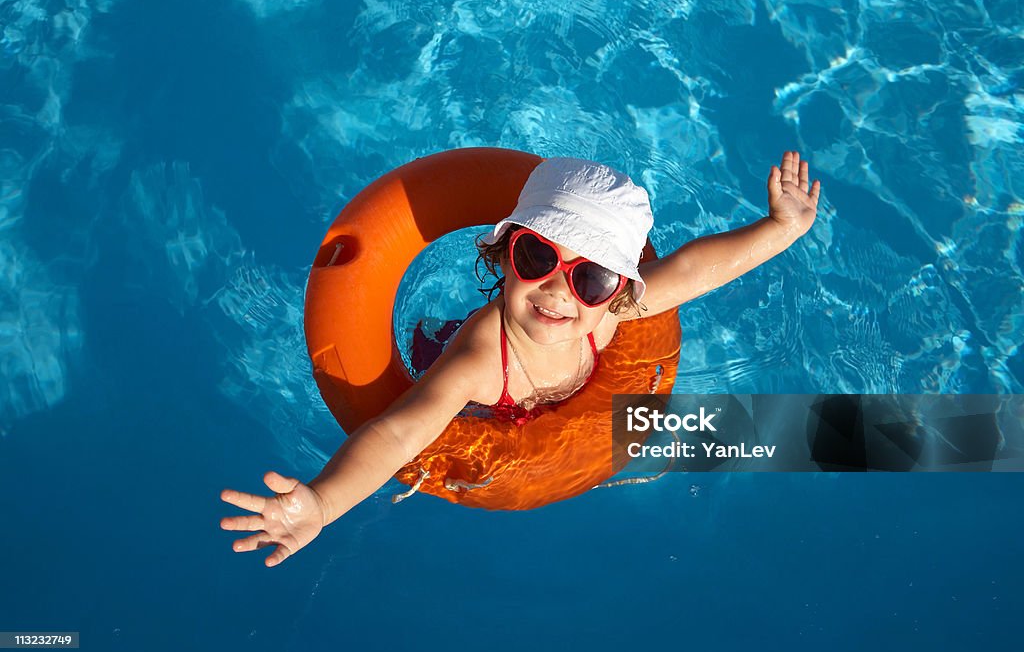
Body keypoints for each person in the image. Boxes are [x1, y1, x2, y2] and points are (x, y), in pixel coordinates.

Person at [220, 151, 821, 567]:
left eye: (591, 276)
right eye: (538, 257)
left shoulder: (613, 315)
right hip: (486, 407)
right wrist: (323, 502)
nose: (560, 289)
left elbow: (693, 271)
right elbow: (401, 431)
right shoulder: (482, 355)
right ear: (504, 253)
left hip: (566, 406)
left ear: (621, 288)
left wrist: (780, 228)